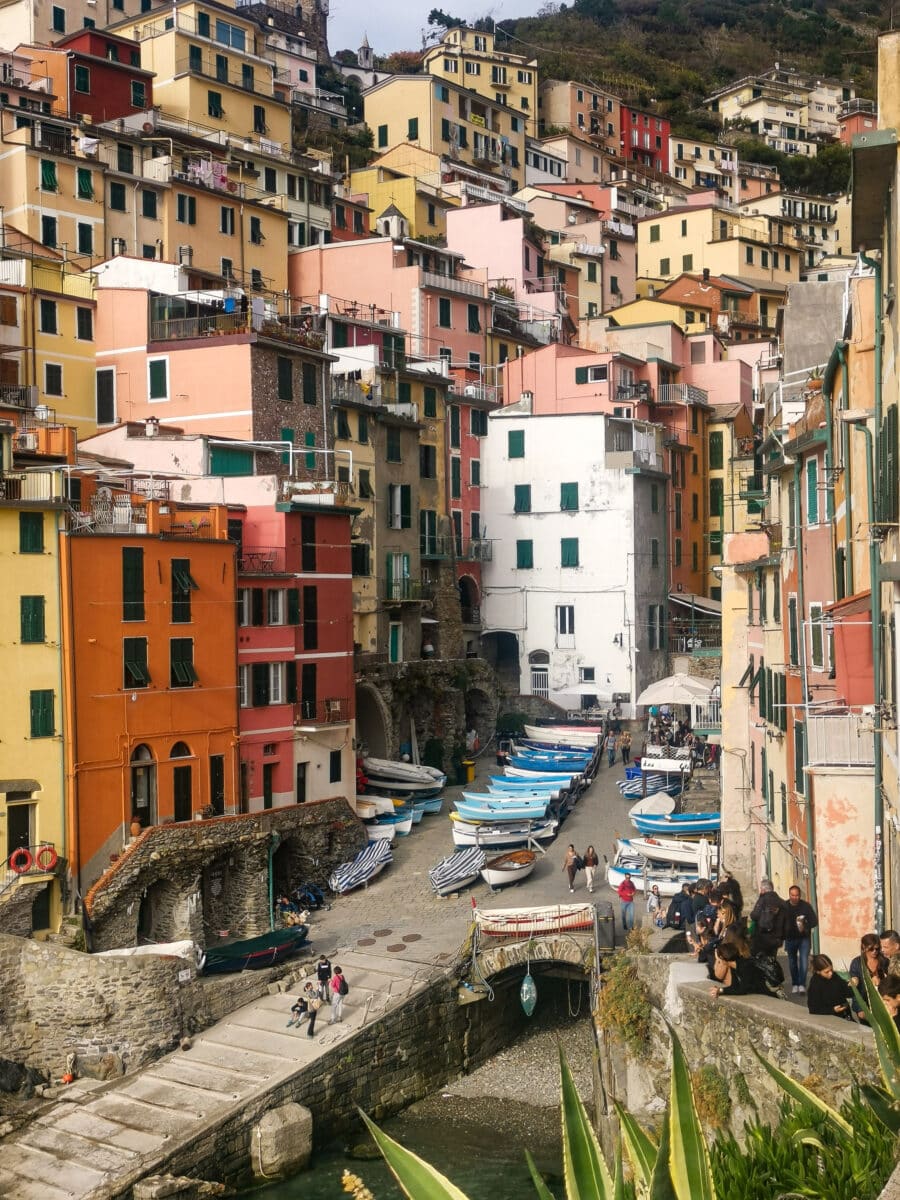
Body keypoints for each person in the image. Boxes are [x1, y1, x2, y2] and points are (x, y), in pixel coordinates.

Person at [783, 885, 818, 995]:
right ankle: (795, 984)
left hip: (804, 939)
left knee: (803, 961)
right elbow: (780, 922)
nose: (795, 897)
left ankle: (802, 984)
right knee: (792, 962)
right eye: (792, 895)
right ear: (789, 895)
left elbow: (814, 921)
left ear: (800, 895)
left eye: (797, 895)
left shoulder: (805, 906)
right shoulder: (784, 906)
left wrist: (805, 925)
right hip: (790, 938)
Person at [850, 933, 889, 1020]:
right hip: (865, 1004)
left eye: (877, 948)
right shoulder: (856, 963)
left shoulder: (884, 961)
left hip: (882, 1004)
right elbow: (855, 989)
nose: (874, 951)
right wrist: (860, 1009)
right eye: (871, 949)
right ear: (864, 947)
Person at [807, 955, 853, 1020]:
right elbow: (813, 1009)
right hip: (830, 1020)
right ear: (818, 971)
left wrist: (852, 985)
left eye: (831, 969)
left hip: (845, 1016)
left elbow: (846, 991)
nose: (831, 973)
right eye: (827, 972)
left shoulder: (834, 976)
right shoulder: (815, 984)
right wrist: (833, 1010)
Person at [749, 878, 787, 958]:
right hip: (777, 938)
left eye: (761, 889)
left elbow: (754, 916)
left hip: (762, 937)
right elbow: (786, 921)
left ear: (763, 890)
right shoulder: (782, 902)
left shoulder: (762, 900)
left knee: (760, 960)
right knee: (772, 959)